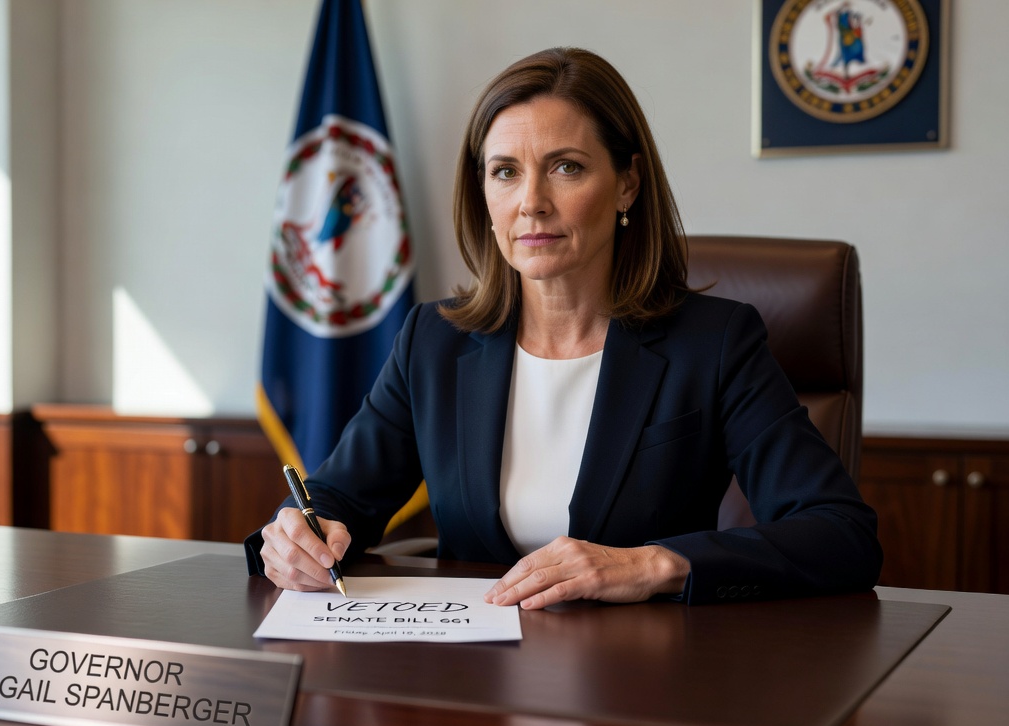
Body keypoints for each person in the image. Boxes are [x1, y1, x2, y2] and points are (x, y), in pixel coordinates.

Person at [246, 47, 882, 608]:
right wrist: (298, 534)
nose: (532, 202)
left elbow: (840, 533)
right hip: (474, 685)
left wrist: (655, 563)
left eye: (566, 167)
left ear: (627, 183)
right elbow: (337, 497)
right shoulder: (433, 341)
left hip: (647, 685)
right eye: (506, 172)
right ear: (484, 195)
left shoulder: (713, 343)